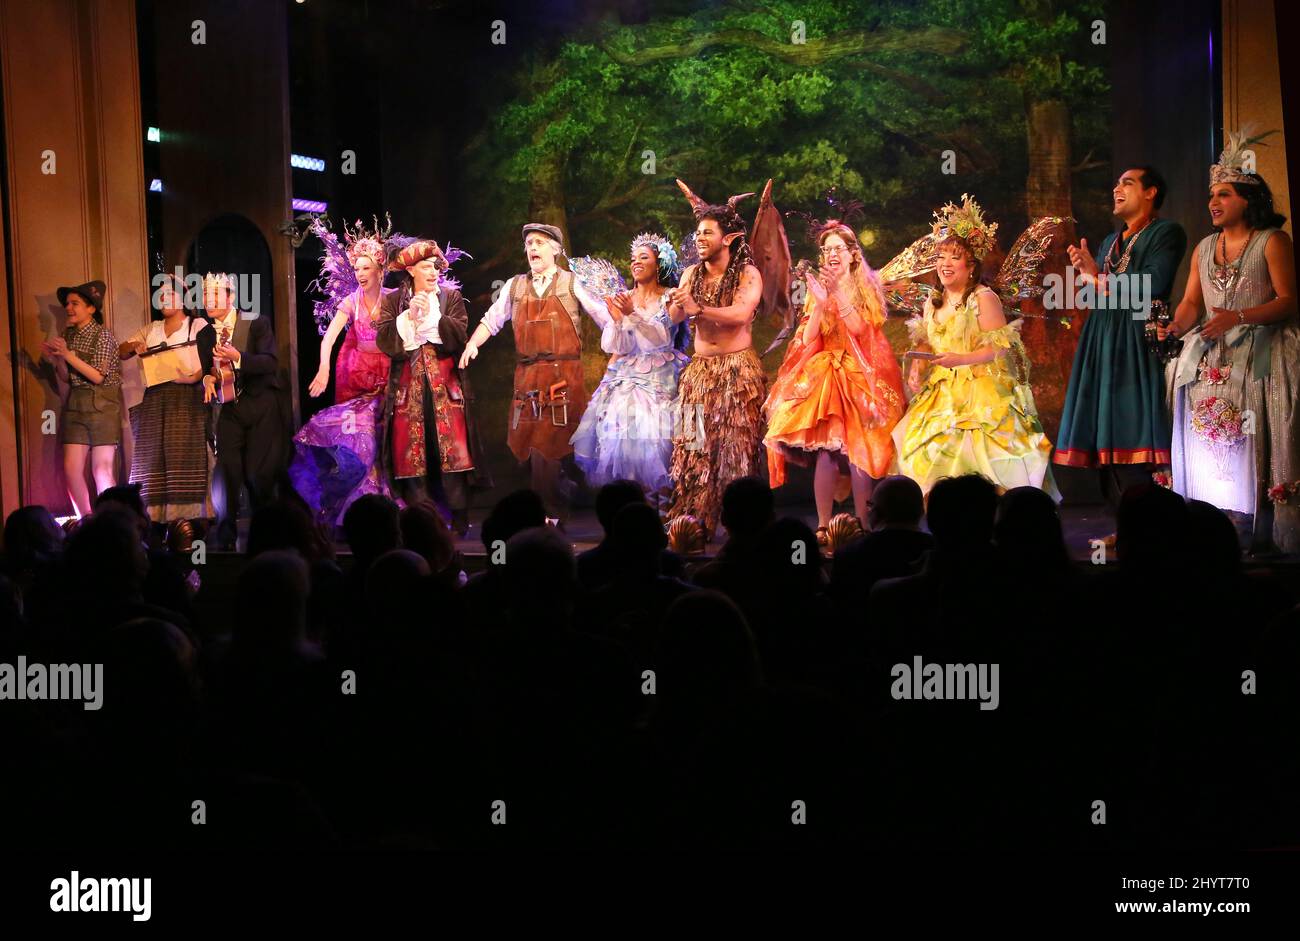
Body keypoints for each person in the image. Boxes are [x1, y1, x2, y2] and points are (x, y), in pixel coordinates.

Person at [1161, 132, 1298, 553]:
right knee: (1213, 436)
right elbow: (1189, 303)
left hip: (1261, 355)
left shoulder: (1271, 241)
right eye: (1211, 195)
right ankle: (1213, 522)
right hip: (1210, 356)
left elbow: (1289, 301)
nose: (1213, 202)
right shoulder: (1204, 248)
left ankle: (1258, 527)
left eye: (1223, 193)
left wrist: (1237, 317)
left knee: (1251, 434)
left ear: (1247, 198)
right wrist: (1173, 329)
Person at [892, 196, 1059, 498]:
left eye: (954, 258)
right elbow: (929, 342)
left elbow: (1000, 348)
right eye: (941, 257)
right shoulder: (933, 301)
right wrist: (917, 366)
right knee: (927, 457)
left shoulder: (983, 298)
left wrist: (962, 358)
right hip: (941, 393)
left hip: (981, 390)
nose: (945, 264)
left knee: (983, 458)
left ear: (971, 266)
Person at [1053, 167, 1188, 509]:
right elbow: (1096, 295)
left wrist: (1099, 280)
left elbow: (1154, 284)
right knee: (1105, 436)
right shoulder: (1109, 242)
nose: (1117, 189)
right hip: (1103, 338)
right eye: (1116, 183)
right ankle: (1123, 525)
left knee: (1133, 429)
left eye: (1127, 183)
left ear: (1151, 192)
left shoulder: (1166, 232)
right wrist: (1089, 276)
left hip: (1135, 338)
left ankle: (1148, 524)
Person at [765, 219, 906, 538]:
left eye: (838, 249)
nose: (831, 254)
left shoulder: (867, 285)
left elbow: (860, 329)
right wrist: (818, 302)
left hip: (858, 374)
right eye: (826, 249)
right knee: (827, 452)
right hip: (826, 374)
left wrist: (836, 295)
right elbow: (810, 335)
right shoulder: (817, 288)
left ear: (853, 254)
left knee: (857, 449)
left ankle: (864, 523)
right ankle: (823, 525)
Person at [460, 223, 609, 523]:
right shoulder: (514, 286)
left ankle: (550, 516)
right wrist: (472, 344)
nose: (532, 248)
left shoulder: (571, 283)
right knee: (526, 451)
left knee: (548, 449)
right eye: (529, 243)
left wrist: (625, 342)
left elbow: (603, 317)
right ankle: (560, 491)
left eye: (540, 242)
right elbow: (492, 320)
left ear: (555, 250)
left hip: (563, 378)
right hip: (527, 379)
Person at [665, 183, 767, 538]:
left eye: (707, 232)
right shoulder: (691, 274)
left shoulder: (747, 274)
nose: (699, 238)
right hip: (699, 374)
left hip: (736, 372)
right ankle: (694, 520)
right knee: (694, 447)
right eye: (697, 233)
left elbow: (741, 314)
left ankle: (741, 524)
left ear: (729, 237)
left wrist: (700, 308)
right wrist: (677, 304)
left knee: (734, 452)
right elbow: (677, 317)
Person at [376, 239, 488, 535]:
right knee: (413, 453)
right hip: (407, 388)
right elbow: (386, 342)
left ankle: (460, 519)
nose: (434, 272)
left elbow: (457, 336)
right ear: (411, 270)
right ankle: (423, 523)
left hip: (445, 385)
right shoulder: (392, 301)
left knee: (452, 452)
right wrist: (409, 317)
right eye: (427, 267)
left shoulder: (449, 297)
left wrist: (434, 316)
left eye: (436, 266)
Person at [289, 221, 397, 528]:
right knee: (354, 434)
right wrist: (323, 368)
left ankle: (384, 499)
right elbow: (330, 337)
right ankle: (356, 499)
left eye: (366, 268)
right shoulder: (351, 302)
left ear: (379, 269)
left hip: (388, 377)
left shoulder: (393, 298)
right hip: (360, 379)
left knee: (383, 436)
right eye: (358, 269)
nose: (361, 274)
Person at [569, 232, 688, 507]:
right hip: (627, 375)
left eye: (643, 257)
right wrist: (618, 320)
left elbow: (659, 340)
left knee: (659, 437)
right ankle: (637, 509)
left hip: (661, 374)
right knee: (622, 436)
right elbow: (618, 345)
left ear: (659, 265)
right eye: (633, 258)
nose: (635, 262)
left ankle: (667, 507)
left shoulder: (671, 297)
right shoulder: (623, 297)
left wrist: (632, 314)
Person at [119, 274, 215, 522]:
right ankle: (154, 519)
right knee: (152, 459)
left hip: (186, 399)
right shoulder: (151, 329)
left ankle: (190, 519)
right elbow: (122, 351)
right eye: (160, 295)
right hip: (155, 399)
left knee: (184, 456)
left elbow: (209, 364)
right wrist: (133, 347)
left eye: (170, 293)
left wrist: (194, 377)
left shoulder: (197, 326)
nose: (164, 298)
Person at [202, 272, 285, 551]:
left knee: (256, 475)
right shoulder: (205, 333)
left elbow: (269, 363)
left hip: (260, 404)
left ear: (231, 297)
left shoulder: (254, 322)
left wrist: (238, 357)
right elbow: (208, 369)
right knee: (226, 472)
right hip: (229, 408)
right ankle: (224, 539)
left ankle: (266, 539)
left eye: (215, 294)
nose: (208, 300)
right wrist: (207, 378)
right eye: (204, 295)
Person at [41, 279, 121, 518]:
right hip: (76, 406)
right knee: (70, 469)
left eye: (75, 303)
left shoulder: (103, 336)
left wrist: (67, 354)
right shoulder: (69, 336)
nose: (68, 308)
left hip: (102, 406)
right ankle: (86, 520)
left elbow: (97, 376)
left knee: (102, 470)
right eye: (67, 303)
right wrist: (57, 359)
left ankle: (110, 522)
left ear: (91, 308)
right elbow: (66, 379)